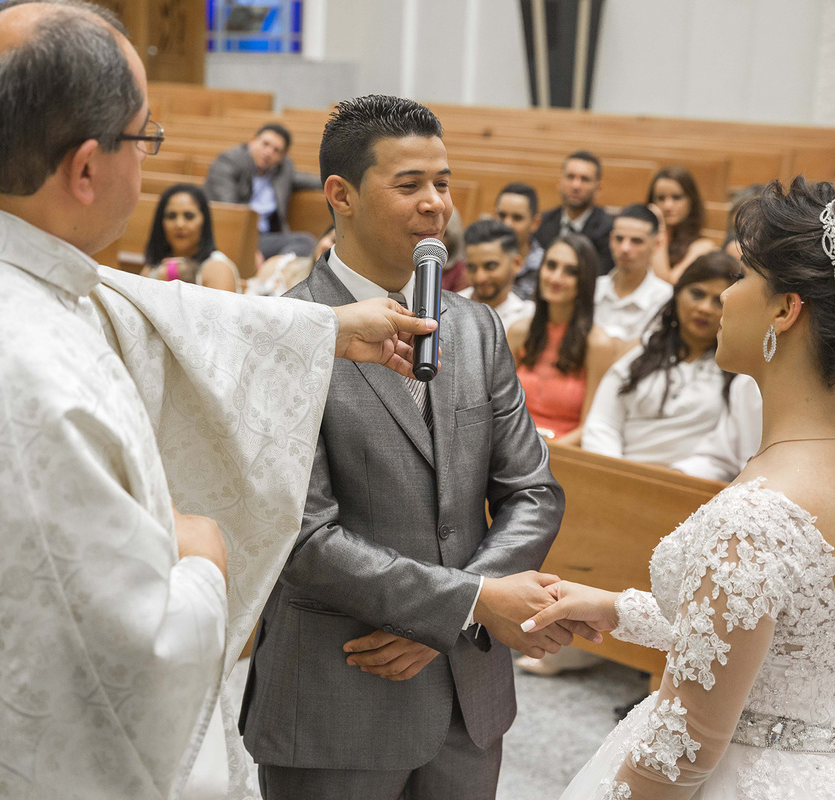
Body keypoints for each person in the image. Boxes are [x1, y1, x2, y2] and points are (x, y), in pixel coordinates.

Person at [0, 4, 438, 799]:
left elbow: (139, 308)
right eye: (145, 138)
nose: (147, 164)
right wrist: (203, 560)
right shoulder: (31, 371)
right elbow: (129, 665)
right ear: (88, 168)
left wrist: (322, 329)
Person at [528, 178, 835, 799]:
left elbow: (683, 753)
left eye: (741, 276)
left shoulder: (759, 514)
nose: (724, 298)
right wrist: (618, 609)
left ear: (785, 310)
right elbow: (793, 651)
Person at [240, 94, 596, 799]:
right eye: (409, 185)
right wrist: (466, 603)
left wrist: (456, 613)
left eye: (443, 182)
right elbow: (302, 535)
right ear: (340, 194)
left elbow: (532, 491)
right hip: (338, 692)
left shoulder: (477, 328)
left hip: (466, 695)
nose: (436, 204)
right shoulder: (285, 332)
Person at [582, 252, 739, 465]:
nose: (704, 308)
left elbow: (728, 451)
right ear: (677, 294)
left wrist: (675, 478)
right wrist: (617, 473)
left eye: (718, 302)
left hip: (689, 481)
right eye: (697, 294)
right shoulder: (640, 354)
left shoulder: (739, 374)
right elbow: (602, 424)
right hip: (616, 473)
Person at [507, 233, 615, 445]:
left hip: (564, 452)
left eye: (570, 271)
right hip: (512, 445)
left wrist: (546, 453)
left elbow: (591, 427)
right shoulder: (519, 331)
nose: (556, 278)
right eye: (551, 266)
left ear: (584, 281)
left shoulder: (597, 344)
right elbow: (501, 408)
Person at [203, 122, 321, 258]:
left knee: (305, 242)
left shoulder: (282, 170)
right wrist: (251, 249)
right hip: (232, 235)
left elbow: (307, 180)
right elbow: (230, 211)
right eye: (265, 144)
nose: (269, 152)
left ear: (282, 157)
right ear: (253, 141)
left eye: (276, 150)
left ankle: (274, 268)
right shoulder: (228, 162)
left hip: (264, 238)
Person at [595, 204, 674, 342]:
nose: (625, 248)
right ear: (610, 239)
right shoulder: (593, 288)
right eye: (619, 239)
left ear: (656, 244)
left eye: (636, 241)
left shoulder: (665, 298)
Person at [143, 182, 240, 292]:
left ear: (204, 221)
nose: (179, 224)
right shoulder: (152, 268)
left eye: (189, 216)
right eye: (171, 216)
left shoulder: (218, 268)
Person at [535, 151, 615, 277]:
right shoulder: (542, 222)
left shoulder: (608, 229)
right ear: (559, 182)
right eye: (570, 177)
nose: (576, 186)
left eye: (585, 179)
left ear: (598, 188)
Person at [460, 218, 536, 331]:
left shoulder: (528, 317)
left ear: (516, 263)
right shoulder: (446, 308)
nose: (480, 278)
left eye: (490, 266)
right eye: (472, 267)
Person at [647, 165, 717, 284]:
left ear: (691, 201)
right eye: (661, 198)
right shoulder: (640, 240)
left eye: (676, 197)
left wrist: (658, 228)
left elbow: (667, 285)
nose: (668, 206)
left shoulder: (703, 246)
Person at [493, 182, 544, 298]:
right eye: (502, 215)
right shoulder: (476, 259)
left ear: (535, 223)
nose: (507, 224)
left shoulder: (545, 267)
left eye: (517, 218)